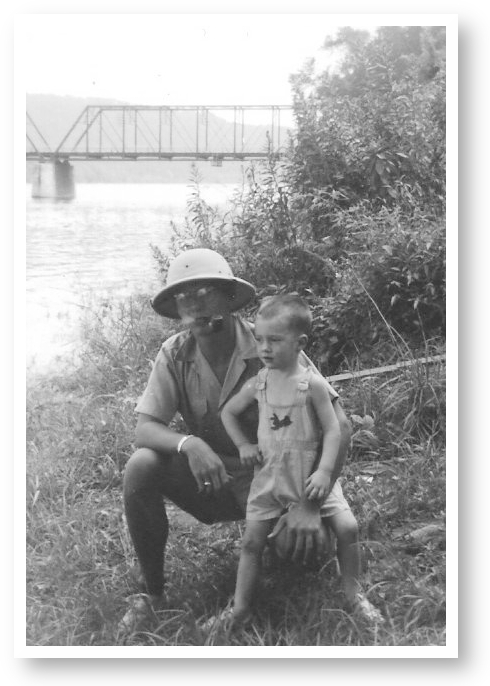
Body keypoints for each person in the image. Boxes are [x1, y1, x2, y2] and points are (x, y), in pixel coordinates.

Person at [119, 249, 352, 635]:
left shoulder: (268, 343)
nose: (194, 304)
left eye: (206, 290)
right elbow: (145, 429)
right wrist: (190, 444)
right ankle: (152, 594)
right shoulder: (175, 353)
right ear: (176, 309)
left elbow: (338, 425)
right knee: (141, 465)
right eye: (183, 296)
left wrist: (310, 506)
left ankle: (294, 552)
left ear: (229, 298)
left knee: (303, 552)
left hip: (281, 476)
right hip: (219, 478)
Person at [215, 294, 384, 630]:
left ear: (300, 343)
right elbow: (228, 413)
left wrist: (324, 472)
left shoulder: (312, 384)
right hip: (271, 476)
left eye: (275, 340)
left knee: (348, 528)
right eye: (260, 339)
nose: (264, 348)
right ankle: (240, 608)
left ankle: (354, 595)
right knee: (251, 542)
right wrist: (243, 444)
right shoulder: (259, 383)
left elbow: (335, 430)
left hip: (311, 475)